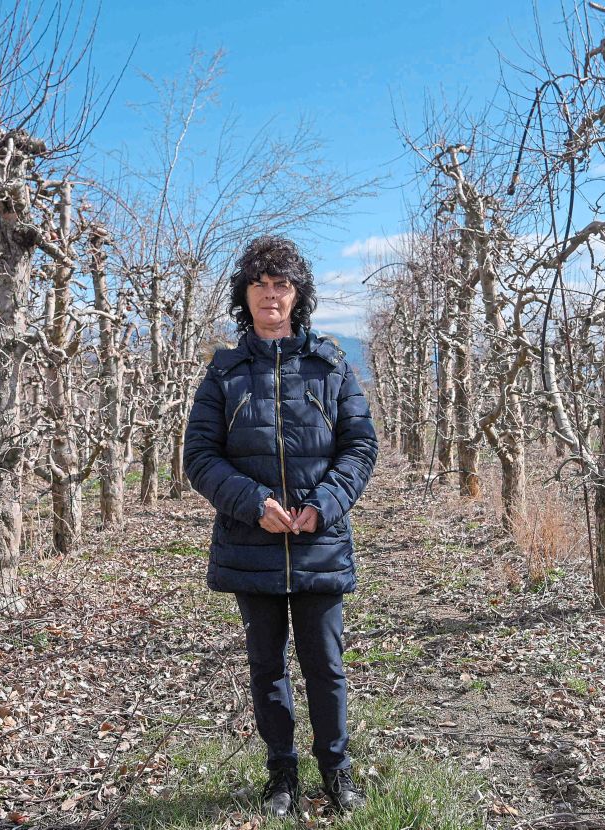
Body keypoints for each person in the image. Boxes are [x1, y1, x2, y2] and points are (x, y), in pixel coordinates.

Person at [182, 235, 378, 817]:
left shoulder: (330, 365)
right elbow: (199, 456)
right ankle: (281, 777)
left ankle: (337, 773)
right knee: (267, 666)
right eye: (261, 285)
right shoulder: (224, 373)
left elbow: (361, 445)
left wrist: (325, 503)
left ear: (298, 296)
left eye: (283, 285)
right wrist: (254, 502)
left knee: (326, 664)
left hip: (320, 542)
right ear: (246, 296)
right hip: (252, 544)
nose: (272, 295)